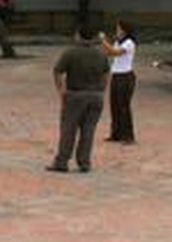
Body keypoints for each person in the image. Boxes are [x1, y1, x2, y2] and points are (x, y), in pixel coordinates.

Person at [47, 25, 109, 172]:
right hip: (96, 96)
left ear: (78, 36)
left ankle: (62, 161)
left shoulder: (71, 53)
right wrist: (102, 89)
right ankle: (84, 162)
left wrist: (61, 90)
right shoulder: (101, 54)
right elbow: (106, 73)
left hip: (75, 95)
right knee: (89, 130)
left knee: (69, 129)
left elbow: (57, 71)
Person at [99, 22, 137, 144]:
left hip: (125, 76)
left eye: (118, 30)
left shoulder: (129, 43)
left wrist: (103, 40)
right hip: (116, 75)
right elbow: (109, 53)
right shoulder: (118, 42)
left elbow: (116, 53)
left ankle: (128, 136)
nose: (117, 32)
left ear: (124, 31)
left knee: (123, 106)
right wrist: (106, 44)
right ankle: (116, 133)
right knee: (114, 105)